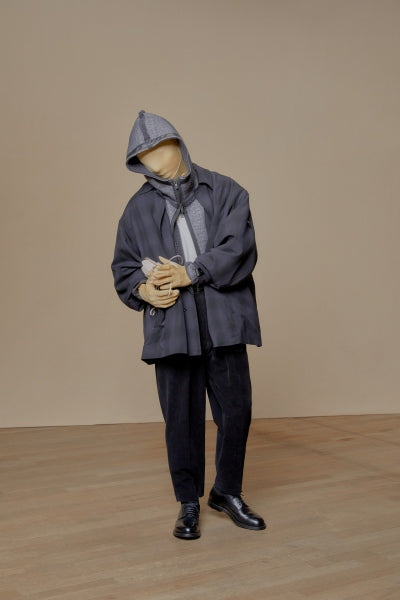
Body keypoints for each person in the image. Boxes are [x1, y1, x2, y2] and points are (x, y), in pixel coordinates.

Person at [111, 110, 266, 539]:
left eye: (158, 149)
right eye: (142, 156)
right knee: (180, 418)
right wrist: (143, 290)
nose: (152, 160)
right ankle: (188, 503)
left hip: (224, 320)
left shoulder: (227, 191)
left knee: (236, 411)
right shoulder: (137, 209)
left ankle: (227, 492)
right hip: (172, 329)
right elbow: (124, 267)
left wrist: (191, 272)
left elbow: (240, 248)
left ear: (177, 143)